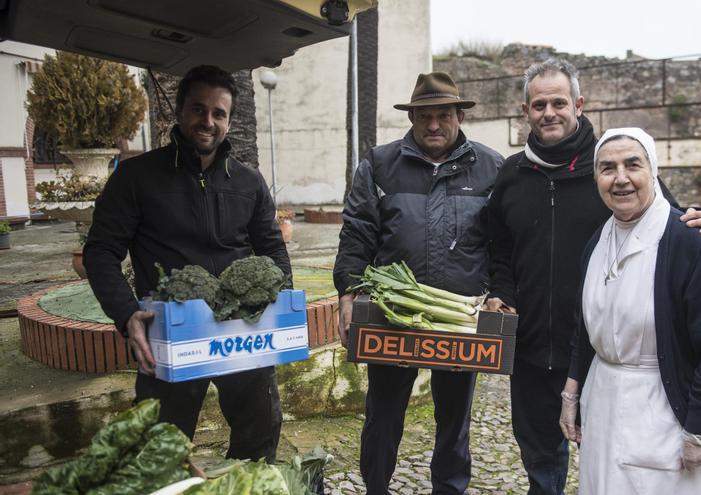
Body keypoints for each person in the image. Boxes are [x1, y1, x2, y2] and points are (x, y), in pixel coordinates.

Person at [484, 58, 701, 494]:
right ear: (525, 112)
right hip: (532, 349)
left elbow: (669, 217)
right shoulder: (511, 175)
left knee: (613, 463)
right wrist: (501, 289)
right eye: (538, 105)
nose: (549, 113)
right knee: (540, 459)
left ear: (578, 104)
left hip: (599, 356)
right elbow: (500, 247)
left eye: (559, 102)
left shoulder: (611, 164)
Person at [84, 65, 292, 462]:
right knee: (159, 452)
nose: (208, 122)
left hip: (241, 332)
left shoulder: (248, 182)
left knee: (259, 437)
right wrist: (126, 314)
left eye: (219, 114)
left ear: (229, 120)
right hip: (170, 334)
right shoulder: (136, 177)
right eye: (199, 110)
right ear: (179, 111)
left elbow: (272, 248)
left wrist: (277, 301)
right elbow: (100, 252)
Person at [333, 72, 503, 494]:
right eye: (423, 116)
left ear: (458, 115)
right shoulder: (379, 164)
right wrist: (348, 291)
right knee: (384, 413)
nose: (432, 125)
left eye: (443, 115)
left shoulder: (491, 167)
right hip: (394, 317)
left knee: (454, 419)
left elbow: (505, 242)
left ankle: (449, 489)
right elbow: (357, 232)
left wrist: (501, 293)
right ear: (411, 117)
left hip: (460, 322)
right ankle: (375, 486)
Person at [560, 127, 701, 494]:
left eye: (633, 165)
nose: (620, 178)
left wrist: (700, 428)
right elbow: (586, 329)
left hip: (666, 411)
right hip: (605, 401)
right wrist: (571, 392)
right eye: (607, 168)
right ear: (596, 178)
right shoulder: (598, 241)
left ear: (652, 171)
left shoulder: (687, 243)